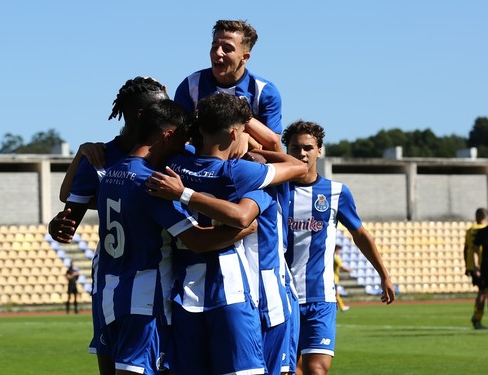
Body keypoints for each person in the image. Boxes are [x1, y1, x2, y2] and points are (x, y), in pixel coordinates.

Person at [93, 99, 259, 375]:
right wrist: (244, 229)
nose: (187, 146)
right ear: (168, 135)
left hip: (109, 294)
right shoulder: (151, 183)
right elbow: (197, 240)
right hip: (144, 297)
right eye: (183, 137)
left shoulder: (111, 174)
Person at [146, 93, 307, 375]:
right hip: (229, 292)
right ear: (234, 133)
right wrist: (257, 154)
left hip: (184, 294)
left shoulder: (175, 164)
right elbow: (298, 167)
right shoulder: (239, 172)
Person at [46, 77, 170, 373]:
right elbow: (68, 218)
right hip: (140, 281)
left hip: (127, 283)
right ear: (142, 115)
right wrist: (58, 225)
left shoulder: (105, 157)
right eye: (161, 108)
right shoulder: (105, 157)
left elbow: (70, 214)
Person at [283, 120, 395, 375]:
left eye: (308, 147)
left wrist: (384, 275)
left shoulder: (336, 192)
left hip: (320, 296)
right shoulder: (274, 189)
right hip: (280, 295)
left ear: (319, 151)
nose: (302, 153)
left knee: (317, 369)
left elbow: (360, 234)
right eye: (295, 147)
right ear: (286, 150)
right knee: (288, 370)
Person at [174, 19, 283, 145]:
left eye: (227, 48)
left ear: (244, 57)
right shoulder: (191, 85)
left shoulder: (264, 91)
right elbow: (178, 137)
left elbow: (273, 145)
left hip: (246, 161)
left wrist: (245, 135)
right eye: (214, 47)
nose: (218, 53)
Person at [464, 208, 488, 329]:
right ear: (486, 217)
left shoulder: (470, 230)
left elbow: (466, 249)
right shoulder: (485, 230)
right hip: (482, 265)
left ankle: (477, 316)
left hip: (471, 265)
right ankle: (477, 316)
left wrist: (467, 266)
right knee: (483, 292)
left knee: (482, 291)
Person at [333, 241, 353, 312]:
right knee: (335, 294)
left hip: (334, 278)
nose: (339, 251)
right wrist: (349, 270)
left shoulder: (332, 256)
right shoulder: (336, 256)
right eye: (338, 249)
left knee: (335, 294)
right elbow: (341, 266)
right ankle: (341, 307)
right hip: (334, 279)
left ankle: (338, 307)